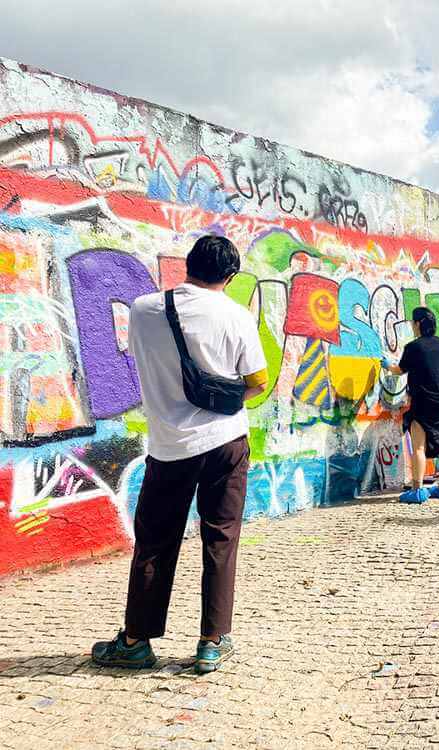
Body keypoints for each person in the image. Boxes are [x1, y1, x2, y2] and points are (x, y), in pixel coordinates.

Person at [91, 235, 268, 673]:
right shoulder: (237, 316)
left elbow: (142, 360)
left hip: (168, 446)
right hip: (226, 440)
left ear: (187, 266)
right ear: (230, 276)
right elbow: (258, 381)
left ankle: (135, 641)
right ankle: (211, 642)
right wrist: (223, 397)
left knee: (155, 541)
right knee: (221, 537)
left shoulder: (144, 308)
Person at [383, 308, 439, 503]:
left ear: (418, 324)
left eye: (412, 323)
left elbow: (400, 370)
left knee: (418, 447)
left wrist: (387, 365)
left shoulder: (413, 347)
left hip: (422, 403)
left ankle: (417, 490)